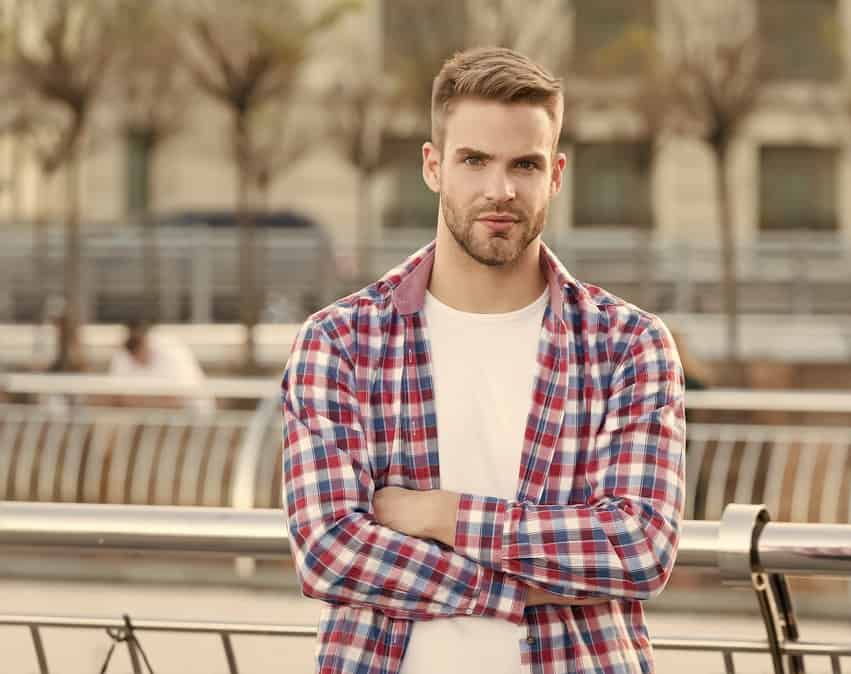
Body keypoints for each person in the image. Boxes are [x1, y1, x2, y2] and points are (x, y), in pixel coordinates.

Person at [282, 47, 685, 674]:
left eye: (524, 164)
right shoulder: (340, 342)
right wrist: (514, 589)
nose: (500, 190)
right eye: (474, 161)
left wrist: (442, 515)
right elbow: (329, 550)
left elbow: (637, 551)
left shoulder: (628, 344)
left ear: (555, 174)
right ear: (433, 166)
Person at [108, 320, 215, 415]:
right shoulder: (124, 352)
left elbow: (178, 399)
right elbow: (115, 396)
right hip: (149, 416)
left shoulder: (172, 349)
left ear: (146, 338)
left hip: (190, 414)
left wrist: (141, 402)